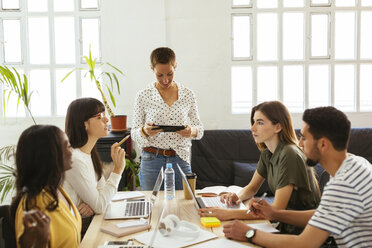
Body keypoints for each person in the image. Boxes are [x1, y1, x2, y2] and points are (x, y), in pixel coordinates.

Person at [223, 106, 372, 247]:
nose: (299, 143)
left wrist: (248, 233)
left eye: (304, 138)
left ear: (323, 144)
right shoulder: (354, 164)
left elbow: (304, 243)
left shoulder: (342, 184)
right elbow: (321, 214)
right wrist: (276, 213)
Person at [199, 101, 320, 234]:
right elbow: (251, 188)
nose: (253, 128)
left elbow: (275, 210)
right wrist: (236, 198)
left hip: (302, 232)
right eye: (254, 122)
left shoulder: (290, 153)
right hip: (285, 226)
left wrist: (228, 214)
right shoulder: (268, 153)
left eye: (260, 123)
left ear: (277, 127)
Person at [131, 47, 204, 190]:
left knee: (184, 204)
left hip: (180, 158)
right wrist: (144, 131)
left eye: (170, 74)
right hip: (151, 159)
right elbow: (134, 133)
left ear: (175, 66)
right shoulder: (143, 95)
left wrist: (191, 131)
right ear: (151, 68)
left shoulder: (188, 94)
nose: (165, 80)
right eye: (160, 75)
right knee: (151, 206)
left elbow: (200, 130)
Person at [11, 125, 81, 247]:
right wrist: (40, 242)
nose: (72, 151)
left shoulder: (56, 189)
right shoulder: (33, 205)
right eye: (67, 146)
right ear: (49, 155)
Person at [63, 97, 126, 236]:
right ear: (84, 124)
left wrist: (93, 205)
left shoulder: (88, 154)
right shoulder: (75, 159)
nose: (106, 120)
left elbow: (101, 196)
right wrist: (118, 170)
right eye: (99, 117)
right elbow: (100, 205)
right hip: (74, 229)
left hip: (84, 222)